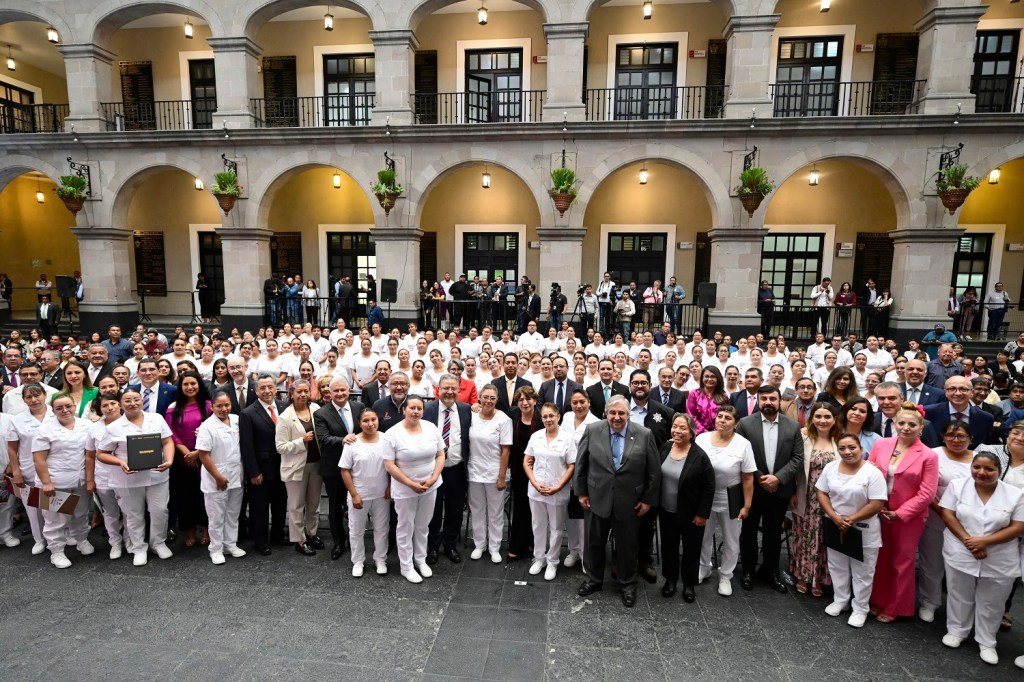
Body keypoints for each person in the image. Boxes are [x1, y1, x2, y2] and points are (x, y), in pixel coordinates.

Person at [575, 394, 661, 608]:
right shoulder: (592, 430)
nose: (616, 417)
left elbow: (653, 472)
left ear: (628, 415)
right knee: (594, 542)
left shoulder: (644, 434)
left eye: (621, 413)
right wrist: (581, 493)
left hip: (629, 501)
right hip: (597, 498)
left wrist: (647, 500)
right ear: (606, 413)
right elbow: (581, 464)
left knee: (627, 546)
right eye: (612, 412)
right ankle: (594, 579)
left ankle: (627, 584)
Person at [938, 451, 1024, 665]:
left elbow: (1018, 526)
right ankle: (957, 631)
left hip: (999, 555)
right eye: (977, 467)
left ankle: (987, 642)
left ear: (999, 471)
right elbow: (947, 513)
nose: (981, 472)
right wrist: (969, 541)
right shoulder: (957, 486)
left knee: (993, 601)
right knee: (959, 593)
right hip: (961, 549)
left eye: (989, 469)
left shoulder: (1016, 494)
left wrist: (985, 542)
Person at [867, 403, 939, 622]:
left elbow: (927, 493)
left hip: (908, 517)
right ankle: (878, 599)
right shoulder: (882, 444)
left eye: (912, 424)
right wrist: (875, 504)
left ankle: (896, 606)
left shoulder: (928, 455)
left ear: (921, 428)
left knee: (902, 561)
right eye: (902, 423)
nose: (906, 428)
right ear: (895, 424)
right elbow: (869, 472)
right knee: (880, 557)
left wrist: (900, 513)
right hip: (879, 510)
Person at [95, 390, 175, 567]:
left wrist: (169, 460)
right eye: (127, 400)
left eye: (136, 399)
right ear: (120, 404)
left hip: (157, 474)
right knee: (133, 514)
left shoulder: (156, 419)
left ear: (142, 400)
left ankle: (158, 543)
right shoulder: (113, 427)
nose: (133, 403)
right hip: (128, 477)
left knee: (160, 510)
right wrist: (120, 462)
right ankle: (139, 548)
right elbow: (101, 454)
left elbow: (167, 441)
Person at [815, 432, 888, 628]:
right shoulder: (831, 468)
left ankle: (860, 608)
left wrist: (851, 519)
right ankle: (840, 600)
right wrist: (834, 516)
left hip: (862, 527)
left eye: (852, 447)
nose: (847, 452)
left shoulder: (872, 473)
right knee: (837, 566)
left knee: (863, 572)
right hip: (835, 524)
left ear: (861, 449)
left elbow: (877, 503)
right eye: (842, 448)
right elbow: (821, 492)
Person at [736, 385, 804, 593]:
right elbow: (740, 454)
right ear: (758, 400)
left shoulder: (792, 426)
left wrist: (778, 478)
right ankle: (748, 571)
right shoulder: (745, 424)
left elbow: (797, 458)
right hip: (753, 489)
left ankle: (771, 571)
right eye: (763, 398)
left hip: (779, 490)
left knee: (773, 533)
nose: (768, 402)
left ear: (779, 400)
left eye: (772, 399)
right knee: (748, 532)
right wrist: (760, 478)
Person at [382, 395, 445, 584]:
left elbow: (440, 454)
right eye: (412, 408)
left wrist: (433, 478)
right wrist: (410, 483)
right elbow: (389, 465)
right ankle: (406, 566)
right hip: (405, 488)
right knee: (405, 526)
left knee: (423, 524)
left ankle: (420, 559)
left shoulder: (431, 428)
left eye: (419, 408)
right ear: (404, 410)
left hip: (430, 485)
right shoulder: (393, 433)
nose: (416, 412)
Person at [917, 421, 975, 623]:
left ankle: (959, 611)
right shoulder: (932, 454)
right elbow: (925, 487)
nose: (955, 440)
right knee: (931, 563)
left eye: (961, 436)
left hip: (967, 522)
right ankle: (929, 602)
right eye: (950, 435)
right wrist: (944, 511)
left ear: (970, 439)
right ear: (943, 437)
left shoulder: (978, 458)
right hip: (936, 516)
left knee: (961, 567)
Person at [31, 393, 93, 568]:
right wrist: (46, 483)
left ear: (74, 406)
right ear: (53, 410)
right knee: (55, 519)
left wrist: (90, 479)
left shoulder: (87, 425)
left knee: (81, 513)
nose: (65, 410)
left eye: (68, 406)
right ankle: (56, 551)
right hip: (54, 481)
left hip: (80, 479)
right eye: (59, 408)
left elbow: (90, 454)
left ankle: (81, 540)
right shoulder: (44, 430)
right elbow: (39, 459)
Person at [657, 413, 714, 602]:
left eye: (683, 428)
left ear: (691, 432)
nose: (677, 431)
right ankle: (670, 580)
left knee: (691, 549)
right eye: (675, 426)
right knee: (668, 547)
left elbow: (709, 487)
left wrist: (702, 514)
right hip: (666, 510)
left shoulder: (699, 456)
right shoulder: (666, 447)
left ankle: (689, 584)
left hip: (691, 514)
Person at [790, 402, 840, 596]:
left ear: (834, 420)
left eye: (827, 417)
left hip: (830, 499)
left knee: (824, 537)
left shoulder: (840, 441)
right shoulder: (803, 438)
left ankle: (819, 578)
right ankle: (803, 575)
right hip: (806, 496)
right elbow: (794, 468)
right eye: (818, 416)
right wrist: (792, 493)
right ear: (812, 419)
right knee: (805, 536)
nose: (822, 420)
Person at [523, 402, 576, 581]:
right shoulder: (536, 436)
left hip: (557, 490)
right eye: (545, 416)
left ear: (558, 416)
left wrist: (558, 486)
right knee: (538, 525)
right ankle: (539, 558)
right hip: (536, 489)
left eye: (551, 416)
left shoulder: (567, 438)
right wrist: (534, 483)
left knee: (555, 528)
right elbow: (527, 461)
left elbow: (572, 465)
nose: (548, 419)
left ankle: (552, 561)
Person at [194, 391, 247, 565]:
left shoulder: (237, 419)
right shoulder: (207, 426)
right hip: (216, 478)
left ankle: (230, 544)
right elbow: (203, 455)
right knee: (216, 517)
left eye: (227, 405)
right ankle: (215, 549)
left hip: (236, 475)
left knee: (233, 513)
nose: (224, 409)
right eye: (219, 406)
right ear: (212, 406)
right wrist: (217, 477)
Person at [313, 379, 363, 560]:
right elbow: (323, 438)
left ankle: (357, 538)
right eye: (336, 391)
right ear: (330, 392)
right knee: (335, 506)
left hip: (358, 466)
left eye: (343, 390)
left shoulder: (359, 408)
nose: (340, 393)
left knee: (358, 502)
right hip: (334, 467)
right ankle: (339, 541)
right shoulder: (321, 413)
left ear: (349, 391)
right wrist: (343, 440)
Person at [425, 374, 472, 565]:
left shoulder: (466, 409)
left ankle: (450, 544)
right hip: (432, 469)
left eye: (454, 388)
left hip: (456, 469)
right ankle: (432, 546)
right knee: (433, 509)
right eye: (446, 388)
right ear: (438, 389)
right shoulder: (427, 409)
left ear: (459, 390)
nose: (450, 392)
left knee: (455, 509)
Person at [239, 374, 288, 555]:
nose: (267, 391)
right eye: (262, 388)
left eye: (270, 387)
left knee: (280, 503)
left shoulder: (284, 407)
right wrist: (253, 471)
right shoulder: (248, 413)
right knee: (259, 507)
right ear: (256, 390)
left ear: (275, 388)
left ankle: (277, 534)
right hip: (261, 469)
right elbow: (247, 445)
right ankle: (260, 541)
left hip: (284, 466)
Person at [340, 409, 391, 577]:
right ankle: (358, 561)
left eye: (373, 419)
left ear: (378, 420)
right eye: (366, 421)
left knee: (382, 528)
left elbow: (392, 464)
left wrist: (389, 486)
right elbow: (345, 470)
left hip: (381, 493)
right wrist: (354, 495)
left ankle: (380, 559)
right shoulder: (352, 442)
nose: (370, 424)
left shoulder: (386, 439)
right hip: (359, 494)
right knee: (356, 529)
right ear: (359, 423)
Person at [275, 379, 323, 557]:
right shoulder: (285, 417)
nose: (303, 394)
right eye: (299, 392)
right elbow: (280, 447)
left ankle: (312, 534)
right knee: (296, 505)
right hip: (296, 467)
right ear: (291, 394)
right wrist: (301, 441)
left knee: (314, 503)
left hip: (316, 464)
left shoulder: (316, 409)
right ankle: (299, 540)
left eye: (306, 391)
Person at [467, 384, 513, 563]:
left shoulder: (504, 419)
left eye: (492, 398)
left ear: (497, 400)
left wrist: (501, 477)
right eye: (485, 397)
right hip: (474, 471)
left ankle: (494, 547)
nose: (488, 401)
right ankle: (479, 545)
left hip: (495, 472)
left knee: (495, 511)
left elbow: (506, 450)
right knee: (477, 509)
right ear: (479, 398)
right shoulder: (472, 416)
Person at [167, 371, 212, 548]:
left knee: (205, 495)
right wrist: (187, 453)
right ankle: (190, 530)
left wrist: (198, 453)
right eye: (185, 384)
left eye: (193, 383)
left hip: (205, 457)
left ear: (199, 385)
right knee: (185, 497)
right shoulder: (173, 407)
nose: (190, 387)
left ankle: (207, 528)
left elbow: (214, 430)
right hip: (182, 459)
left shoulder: (209, 406)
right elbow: (171, 432)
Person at [7, 384, 53, 553]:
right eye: (28, 397)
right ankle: (39, 539)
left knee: (56, 505)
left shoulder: (57, 413)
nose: (34, 400)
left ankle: (65, 535)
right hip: (29, 468)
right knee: (33, 508)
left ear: (45, 395)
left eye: (37, 395)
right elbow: (12, 448)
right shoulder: (17, 420)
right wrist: (16, 471)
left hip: (55, 467)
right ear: (24, 400)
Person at [506, 386, 543, 561]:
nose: (524, 402)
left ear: (534, 400)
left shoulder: (541, 418)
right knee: (520, 508)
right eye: (520, 399)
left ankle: (532, 543)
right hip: (518, 469)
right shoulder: (513, 415)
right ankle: (516, 546)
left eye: (528, 399)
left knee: (534, 509)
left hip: (537, 470)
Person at [687, 366, 728, 435]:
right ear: (702, 378)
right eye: (706, 376)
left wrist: (714, 433)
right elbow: (691, 415)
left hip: (717, 433)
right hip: (697, 434)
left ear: (718, 378)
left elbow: (724, 417)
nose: (709, 379)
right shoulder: (694, 394)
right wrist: (704, 432)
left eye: (713, 376)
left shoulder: (723, 396)